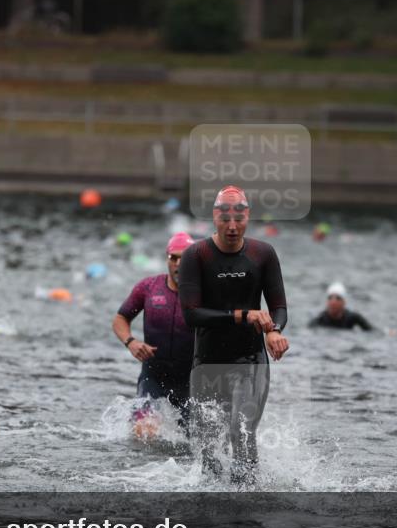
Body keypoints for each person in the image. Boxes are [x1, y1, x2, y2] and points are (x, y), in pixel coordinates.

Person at [179, 186, 289, 484]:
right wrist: (244, 316)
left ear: (247, 216)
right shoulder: (196, 255)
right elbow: (191, 314)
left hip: (250, 360)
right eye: (225, 218)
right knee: (209, 452)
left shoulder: (262, 253)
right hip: (207, 363)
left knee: (241, 432)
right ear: (215, 216)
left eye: (238, 219)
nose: (232, 226)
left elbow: (278, 307)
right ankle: (213, 516)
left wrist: (274, 331)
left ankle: (248, 504)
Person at [113, 232, 196, 430]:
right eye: (173, 258)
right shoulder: (148, 288)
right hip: (154, 377)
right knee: (144, 431)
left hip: (191, 381)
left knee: (194, 442)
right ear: (167, 258)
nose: (178, 263)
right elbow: (120, 319)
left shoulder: (205, 293)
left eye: (184, 258)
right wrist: (131, 342)